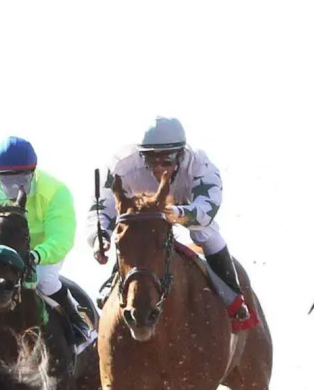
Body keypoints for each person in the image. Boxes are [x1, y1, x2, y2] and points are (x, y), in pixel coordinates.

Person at [88, 116, 256, 326]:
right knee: (133, 235)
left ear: (181, 155)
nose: (158, 168)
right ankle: (110, 291)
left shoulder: (201, 167)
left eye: (166, 161)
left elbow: (206, 211)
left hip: (185, 205)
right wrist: (99, 237)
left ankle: (233, 296)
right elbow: (101, 208)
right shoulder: (120, 165)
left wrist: (175, 213)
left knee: (204, 233)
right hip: (139, 215)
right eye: (150, 160)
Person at [0, 137, 93, 346]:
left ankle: (78, 323)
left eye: (22, 180)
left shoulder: (56, 193)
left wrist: (36, 256)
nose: (14, 188)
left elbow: (61, 238)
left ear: (33, 173)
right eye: (6, 181)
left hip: (41, 251)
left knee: (44, 279)